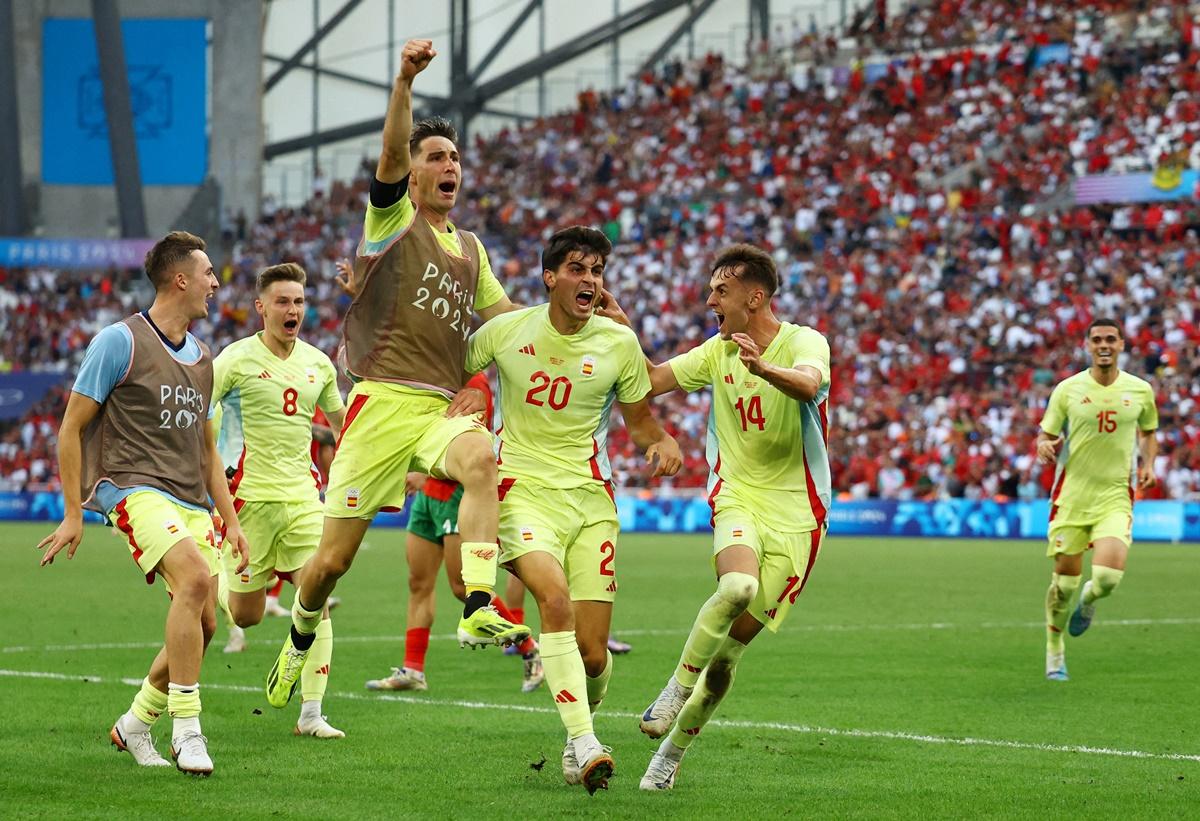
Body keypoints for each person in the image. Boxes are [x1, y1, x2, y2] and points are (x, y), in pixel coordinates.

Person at [265, 38, 528, 710]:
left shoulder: (472, 250)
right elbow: (386, 158)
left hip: (441, 407)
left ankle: (474, 599)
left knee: (480, 460)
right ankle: (298, 635)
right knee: (330, 564)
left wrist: (580, 323)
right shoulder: (391, 220)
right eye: (435, 156)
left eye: (456, 158)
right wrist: (404, 82)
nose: (450, 166)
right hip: (380, 405)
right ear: (412, 175)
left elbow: (509, 322)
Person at [598, 243, 830, 791]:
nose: (709, 301)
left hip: (800, 515)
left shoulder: (805, 341)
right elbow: (652, 380)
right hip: (738, 494)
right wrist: (625, 333)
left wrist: (763, 366)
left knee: (726, 660)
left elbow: (809, 384)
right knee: (738, 586)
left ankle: (672, 753)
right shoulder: (717, 349)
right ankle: (676, 687)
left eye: (720, 291)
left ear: (755, 297)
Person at [465, 226, 683, 793]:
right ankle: (586, 742)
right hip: (520, 491)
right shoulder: (508, 330)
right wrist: (469, 395)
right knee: (552, 599)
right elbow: (449, 369)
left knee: (590, 656)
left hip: (591, 501)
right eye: (580, 270)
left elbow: (639, 421)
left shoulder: (618, 343)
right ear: (551, 276)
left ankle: (574, 728)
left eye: (598, 272)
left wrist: (659, 442)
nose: (590, 281)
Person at [37, 231, 250, 776]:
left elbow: (206, 453)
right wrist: (72, 512)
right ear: (181, 279)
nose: (215, 284)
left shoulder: (203, 358)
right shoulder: (119, 342)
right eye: (207, 274)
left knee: (202, 628)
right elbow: (70, 428)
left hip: (190, 500)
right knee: (197, 579)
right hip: (131, 488)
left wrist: (231, 521)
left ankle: (133, 725)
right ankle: (188, 730)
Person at [211, 263, 348, 737]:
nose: (293, 310)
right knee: (246, 616)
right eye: (284, 302)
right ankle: (217, 583)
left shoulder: (319, 363)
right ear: (261, 307)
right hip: (247, 502)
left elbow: (342, 427)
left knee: (318, 598)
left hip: (304, 501)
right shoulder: (234, 359)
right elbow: (199, 413)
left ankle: (311, 714)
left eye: (300, 302)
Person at [365, 373, 545, 694]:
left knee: (462, 587)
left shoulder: (474, 383)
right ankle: (413, 670)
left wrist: (422, 471)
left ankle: (530, 649)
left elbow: (472, 452)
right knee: (418, 583)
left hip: (455, 496)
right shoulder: (424, 377)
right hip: (426, 500)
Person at [1036, 319, 1158, 682]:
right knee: (1063, 587)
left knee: (1105, 578)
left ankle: (1089, 603)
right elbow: (1046, 434)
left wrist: (1149, 462)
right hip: (1071, 497)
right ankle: (1054, 651)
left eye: (1110, 339)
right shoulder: (1068, 389)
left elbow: (1149, 432)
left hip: (1115, 496)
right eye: (1097, 339)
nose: (1104, 344)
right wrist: (1043, 444)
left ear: (1121, 344)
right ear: (1088, 345)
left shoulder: (1140, 390)